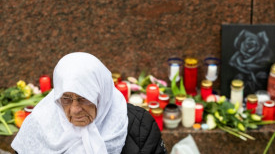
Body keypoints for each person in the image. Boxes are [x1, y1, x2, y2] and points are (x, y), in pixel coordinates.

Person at [11, 52, 167, 154]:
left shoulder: (139, 126)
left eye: (84, 98)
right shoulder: (40, 124)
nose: (75, 109)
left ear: (101, 95)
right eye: (66, 99)